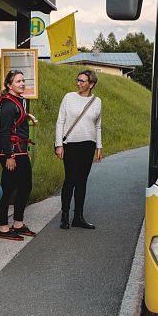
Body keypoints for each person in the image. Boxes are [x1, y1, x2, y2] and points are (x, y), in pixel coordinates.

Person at [55, 69, 102, 230]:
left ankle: (78, 217)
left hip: (88, 145)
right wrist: (58, 144)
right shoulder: (69, 97)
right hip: (71, 144)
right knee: (70, 180)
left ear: (92, 84)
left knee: (82, 182)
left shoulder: (97, 101)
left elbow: (98, 125)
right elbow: (60, 121)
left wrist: (99, 146)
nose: (78, 83)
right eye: (78, 80)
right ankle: (65, 216)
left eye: (82, 81)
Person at [0, 70, 37, 241]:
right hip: (11, 153)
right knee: (7, 190)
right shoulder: (7, 104)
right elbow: (5, 132)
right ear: (8, 85)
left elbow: (16, 122)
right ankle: (3, 228)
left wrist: (27, 115)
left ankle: (18, 223)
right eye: (18, 81)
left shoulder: (17, 101)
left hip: (19, 151)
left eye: (23, 80)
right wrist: (8, 156)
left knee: (25, 186)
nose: (22, 83)